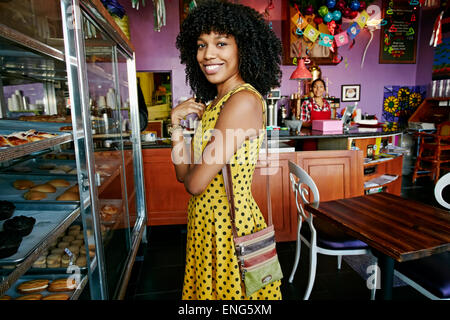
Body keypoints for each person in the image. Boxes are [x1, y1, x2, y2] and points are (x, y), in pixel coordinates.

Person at [171, 0, 282, 300]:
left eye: (221, 43)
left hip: (228, 228)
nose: (208, 54)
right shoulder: (215, 106)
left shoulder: (242, 101)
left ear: (243, 48)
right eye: (201, 45)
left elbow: (195, 183)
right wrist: (175, 126)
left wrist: (193, 168)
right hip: (205, 223)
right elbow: (183, 175)